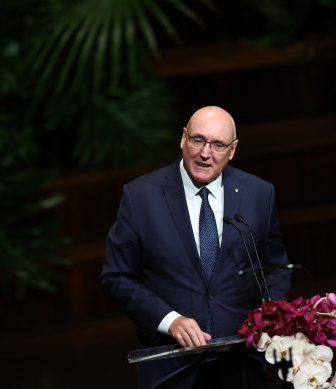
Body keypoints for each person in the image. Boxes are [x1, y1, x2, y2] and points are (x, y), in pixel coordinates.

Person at [100, 106, 291, 388]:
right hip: (171, 365)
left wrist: (267, 317)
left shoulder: (258, 193)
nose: (205, 153)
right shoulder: (141, 196)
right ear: (183, 138)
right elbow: (116, 278)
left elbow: (275, 268)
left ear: (233, 150)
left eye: (217, 145)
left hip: (240, 365)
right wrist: (170, 321)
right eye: (197, 140)